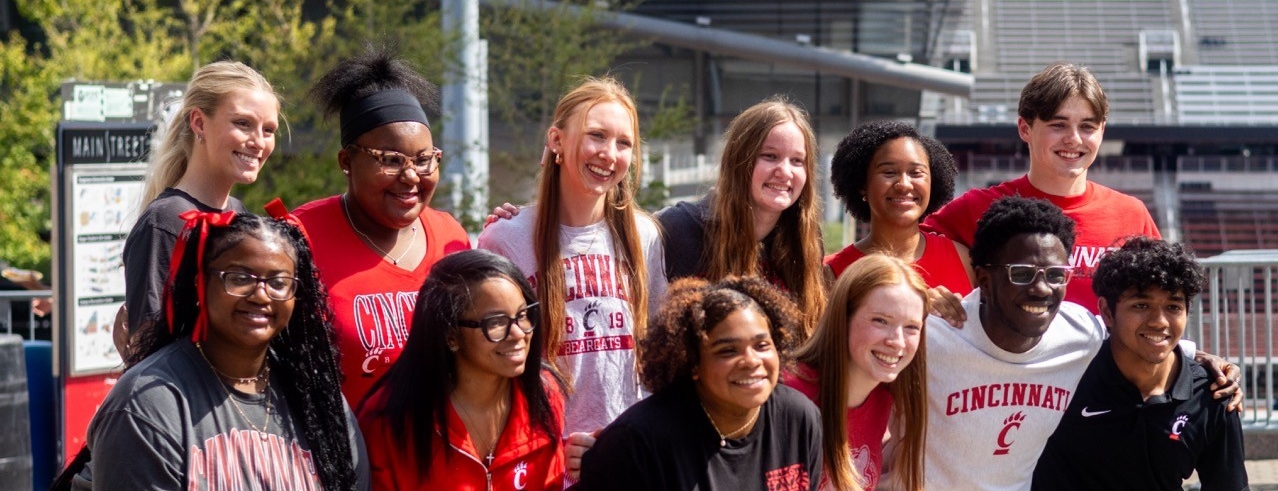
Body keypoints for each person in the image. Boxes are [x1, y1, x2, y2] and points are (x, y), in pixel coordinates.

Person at [893, 196, 1237, 491]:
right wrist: (905, 307)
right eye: (1022, 273)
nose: (1041, 289)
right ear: (983, 277)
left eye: (1056, 275)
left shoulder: (1078, 334)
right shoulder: (929, 338)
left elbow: (1143, 337)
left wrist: (1202, 360)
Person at [55, 211, 369, 490]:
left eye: (278, 282)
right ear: (199, 284)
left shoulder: (318, 400)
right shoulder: (148, 403)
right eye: (240, 278)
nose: (261, 295)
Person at [477, 77, 667, 440]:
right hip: (544, 455)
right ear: (556, 141)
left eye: (624, 142)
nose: (609, 153)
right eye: (597, 135)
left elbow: (659, 356)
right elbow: (488, 369)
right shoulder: (506, 238)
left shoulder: (646, 236)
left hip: (634, 453)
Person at [295, 47, 471, 405]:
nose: (410, 176)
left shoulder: (450, 237)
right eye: (390, 160)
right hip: (345, 456)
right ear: (347, 161)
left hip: (440, 454)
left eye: (424, 160)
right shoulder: (299, 236)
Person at [922, 61, 1159, 318]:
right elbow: (894, 250)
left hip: (1106, 359)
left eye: (1087, 127)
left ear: (1102, 130)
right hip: (1009, 358)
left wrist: (1190, 353)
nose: (1074, 139)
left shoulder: (1131, 214)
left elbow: (1164, 296)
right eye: (1058, 125)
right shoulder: (979, 208)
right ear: (1025, 128)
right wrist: (922, 293)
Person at [1032, 237, 1248, 490]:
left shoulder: (1213, 394)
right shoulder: (1066, 378)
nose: (1159, 321)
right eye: (1141, 305)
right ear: (1107, 312)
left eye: (1173, 307)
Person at [574, 276, 822, 490]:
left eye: (762, 345)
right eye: (728, 351)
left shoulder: (799, 418)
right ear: (693, 363)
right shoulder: (637, 443)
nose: (751, 360)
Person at [358, 249, 566, 490]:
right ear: (451, 336)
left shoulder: (546, 394)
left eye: (523, 315)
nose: (518, 334)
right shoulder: (388, 423)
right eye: (496, 322)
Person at [121, 60, 280, 351]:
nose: (258, 142)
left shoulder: (240, 214)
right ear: (198, 122)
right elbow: (146, 352)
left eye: (268, 130)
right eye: (243, 123)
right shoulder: (166, 220)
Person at [657, 97, 826, 337]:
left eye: (797, 161)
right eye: (770, 156)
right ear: (739, 160)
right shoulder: (678, 228)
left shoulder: (806, 239)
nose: (785, 171)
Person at [785, 255, 929, 491]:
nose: (898, 341)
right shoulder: (790, 397)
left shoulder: (884, 396)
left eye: (911, 327)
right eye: (881, 321)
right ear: (843, 318)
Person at [824, 120, 971, 300]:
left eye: (916, 173)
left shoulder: (963, 260)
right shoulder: (830, 273)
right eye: (889, 172)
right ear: (863, 184)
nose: (904, 185)